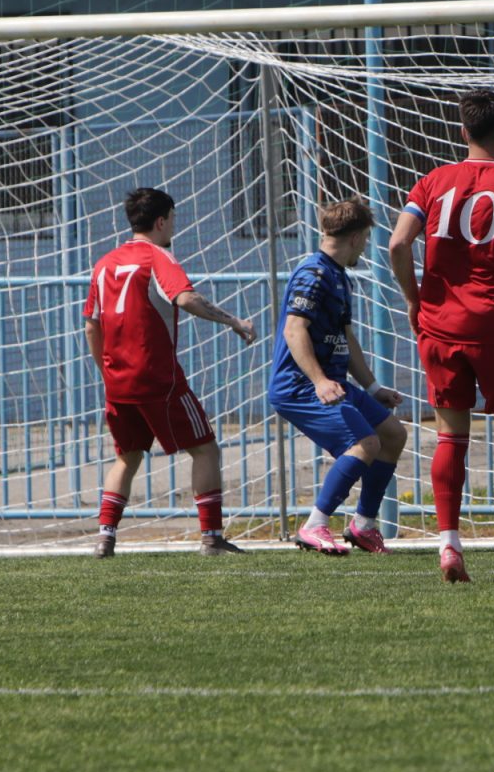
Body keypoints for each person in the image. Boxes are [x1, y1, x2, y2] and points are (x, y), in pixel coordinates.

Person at [388, 88, 494, 583]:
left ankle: (449, 547)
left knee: (450, 435)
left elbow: (397, 243)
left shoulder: (433, 183)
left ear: (463, 131)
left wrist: (415, 297)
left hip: (440, 325)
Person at [83, 187, 256, 557]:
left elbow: (91, 327)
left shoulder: (104, 263)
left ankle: (104, 539)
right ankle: (212, 539)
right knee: (205, 449)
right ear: (161, 221)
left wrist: (107, 372)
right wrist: (234, 321)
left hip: (118, 382)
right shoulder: (157, 256)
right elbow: (186, 297)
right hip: (157, 378)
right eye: (173, 219)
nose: (174, 226)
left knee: (128, 456)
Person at [269, 198, 407, 555]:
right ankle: (314, 525)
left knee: (392, 434)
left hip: (334, 381)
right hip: (299, 386)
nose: (365, 247)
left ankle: (363, 526)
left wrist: (373, 388)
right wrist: (318, 381)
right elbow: (294, 331)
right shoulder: (313, 275)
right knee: (365, 444)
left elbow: (346, 339)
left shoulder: (338, 276)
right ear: (357, 237)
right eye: (366, 239)